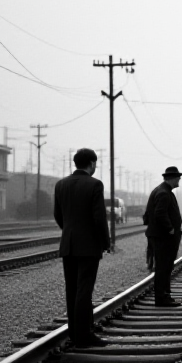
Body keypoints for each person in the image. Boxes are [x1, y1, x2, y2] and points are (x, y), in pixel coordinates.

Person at [53, 148, 111, 347]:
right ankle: (84, 335)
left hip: (68, 245)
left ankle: (75, 334)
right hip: (88, 246)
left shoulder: (61, 184)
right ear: (92, 163)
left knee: (72, 289)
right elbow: (99, 217)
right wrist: (105, 242)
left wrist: (69, 232)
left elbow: (58, 215)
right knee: (84, 290)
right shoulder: (95, 184)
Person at [143, 166, 182, 307]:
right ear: (172, 178)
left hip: (160, 236)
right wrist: (170, 229)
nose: (179, 179)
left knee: (164, 267)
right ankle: (162, 298)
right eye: (178, 177)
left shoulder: (161, 190)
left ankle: (165, 296)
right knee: (164, 267)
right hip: (164, 237)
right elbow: (159, 213)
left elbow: (148, 215)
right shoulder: (164, 193)